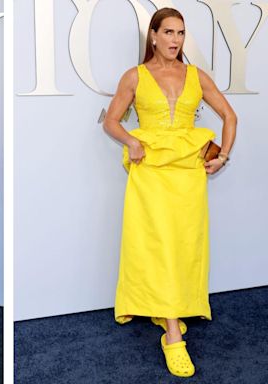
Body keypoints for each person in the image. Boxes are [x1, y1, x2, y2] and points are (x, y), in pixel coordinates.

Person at [103, 8, 236, 378]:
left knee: (182, 246)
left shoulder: (196, 76)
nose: (176, 40)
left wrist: (222, 155)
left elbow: (230, 116)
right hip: (150, 175)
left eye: (181, 33)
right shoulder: (135, 76)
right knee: (155, 245)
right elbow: (112, 121)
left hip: (188, 176)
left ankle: (167, 308)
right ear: (154, 36)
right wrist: (130, 140)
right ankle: (173, 335)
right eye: (169, 33)